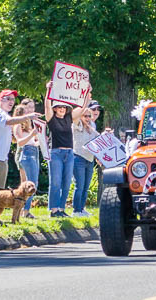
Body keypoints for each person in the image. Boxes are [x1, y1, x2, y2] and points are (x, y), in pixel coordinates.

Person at [0, 90, 41, 226]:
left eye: (13, 99)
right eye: (8, 99)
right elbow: (10, 121)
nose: (11, 102)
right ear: (0, 100)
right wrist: (28, 117)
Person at [44, 81, 88, 217]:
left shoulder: (69, 118)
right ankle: (54, 210)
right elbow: (46, 106)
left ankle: (61, 209)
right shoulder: (51, 119)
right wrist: (48, 91)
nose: (62, 109)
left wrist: (86, 92)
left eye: (64, 107)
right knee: (56, 182)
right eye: (59, 107)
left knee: (67, 182)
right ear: (55, 109)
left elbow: (83, 106)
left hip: (69, 153)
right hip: (56, 152)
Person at [71, 101, 101, 217]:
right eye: (86, 116)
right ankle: (76, 210)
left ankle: (82, 209)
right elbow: (75, 115)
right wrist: (85, 100)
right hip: (78, 157)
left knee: (86, 186)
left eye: (89, 116)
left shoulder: (92, 126)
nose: (88, 118)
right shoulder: (77, 124)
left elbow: (96, 141)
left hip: (89, 159)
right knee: (79, 185)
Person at [12, 99, 39, 219]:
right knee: (27, 183)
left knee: (29, 182)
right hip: (25, 153)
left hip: (33, 152)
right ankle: (24, 210)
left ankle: (24, 209)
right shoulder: (18, 124)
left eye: (33, 108)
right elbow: (20, 142)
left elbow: (32, 141)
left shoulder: (29, 124)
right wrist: (32, 135)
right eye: (29, 108)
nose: (31, 110)